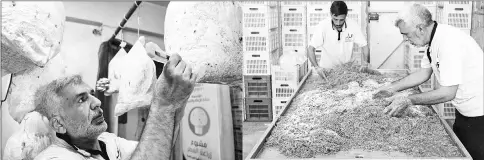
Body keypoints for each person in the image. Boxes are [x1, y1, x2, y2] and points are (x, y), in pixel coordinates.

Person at [34, 53, 197, 160]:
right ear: (59, 124)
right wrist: (164, 104)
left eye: (91, 94)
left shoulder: (106, 141)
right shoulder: (54, 158)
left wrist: (177, 101)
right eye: (81, 100)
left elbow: (157, 149)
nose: (97, 102)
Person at [373, 4, 484, 159]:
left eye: (406, 34)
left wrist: (408, 100)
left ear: (420, 28)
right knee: (461, 146)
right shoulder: (433, 40)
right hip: (464, 109)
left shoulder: (448, 43)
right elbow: (424, 73)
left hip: (479, 113)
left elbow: (448, 92)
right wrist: (391, 88)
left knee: (473, 153)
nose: (405, 39)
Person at [307, 1, 372, 79]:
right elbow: (311, 49)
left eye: (341, 20)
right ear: (331, 14)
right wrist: (317, 67)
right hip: (327, 71)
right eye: (335, 19)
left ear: (346, 16)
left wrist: (365, 63)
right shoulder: (323, 26)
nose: (338, 23)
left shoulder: (353, 25)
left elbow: (364, 46)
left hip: (347, 71)